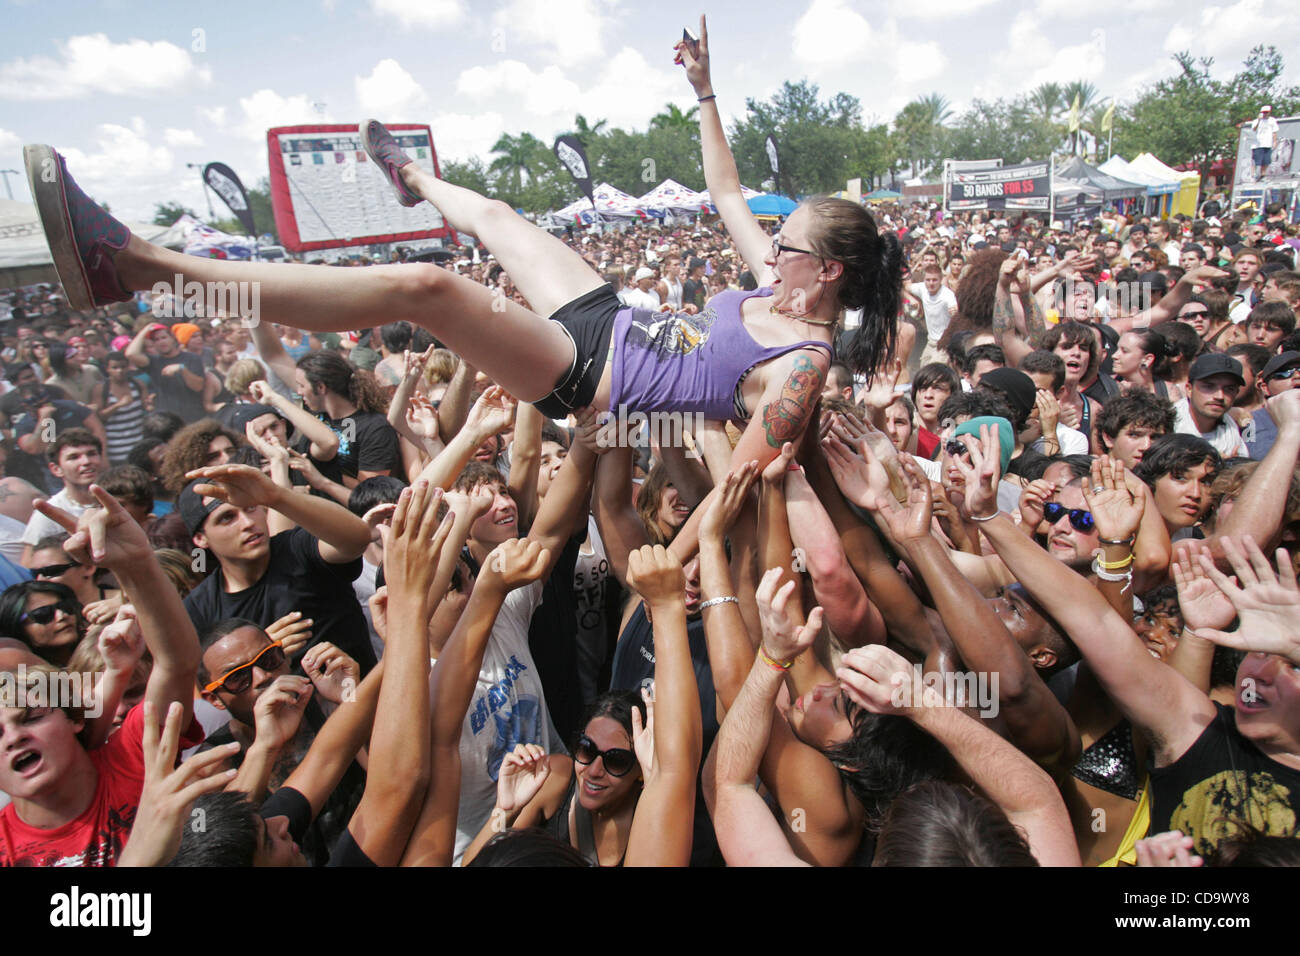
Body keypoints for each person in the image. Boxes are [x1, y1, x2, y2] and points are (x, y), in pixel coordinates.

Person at [25, 39, 899, 493]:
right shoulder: (772, 285)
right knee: (494, 216)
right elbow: (728, 191)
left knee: (431, 289)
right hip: (607, 319)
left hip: (586, 373)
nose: (769, 249)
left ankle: (131, 264)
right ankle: (411, 178)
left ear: (825, 274)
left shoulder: (800, 364)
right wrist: (705, 90)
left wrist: (639, 454)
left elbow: (748, 471)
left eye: (788, 247)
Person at [0, 487, 203, 866]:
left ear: (74, 719)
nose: (14, 738)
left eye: (31, 717)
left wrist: (137, 564)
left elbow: (176, 662)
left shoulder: (134, 759)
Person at [179, 462, 377, 673]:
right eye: (227, 518)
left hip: (365, 697)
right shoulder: (199, 609)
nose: (247, 522)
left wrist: (277, 496)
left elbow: (357, 538)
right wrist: (260, 654)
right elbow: (205, 688)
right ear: (201, 539)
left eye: (251, 508)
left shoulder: (298, 548)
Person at [21, 428, 105, 552]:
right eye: (74, 457)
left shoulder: (120, 498)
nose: (86, 461)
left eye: (91, 454)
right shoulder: (48, 514)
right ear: (56, 469)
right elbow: (30, 562)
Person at [124, 323, 206, 424]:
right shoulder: (153, 361)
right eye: (156, 340)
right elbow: (130, 354)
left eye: (164, 337)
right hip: (167, 421)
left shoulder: (192, 358)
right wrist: (145, 329)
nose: (161, 342)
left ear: (172, 338)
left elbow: (198, 387)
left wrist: (182, 369)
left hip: (193, 418)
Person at [1172, 354, 1249, 458]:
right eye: (1209, 386)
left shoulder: (1232, 430)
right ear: (1189, 389)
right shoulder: (1168, 425)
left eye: (1229, 389)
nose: (1220, 396)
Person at [1249, 105, 1280, 181]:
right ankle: (1254, 175)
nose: (1265, 114)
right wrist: (1259, 120)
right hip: (1258, 144)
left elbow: (1274, 132)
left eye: (1266, 112)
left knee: (1266, 161)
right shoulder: (1256, 121)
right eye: (1263, 112)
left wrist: (1275, 142)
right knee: (1257, 161)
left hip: (1268, 144)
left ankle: (1263, 175)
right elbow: (1254, 129)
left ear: (1269, 112)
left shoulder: (1272, 120)